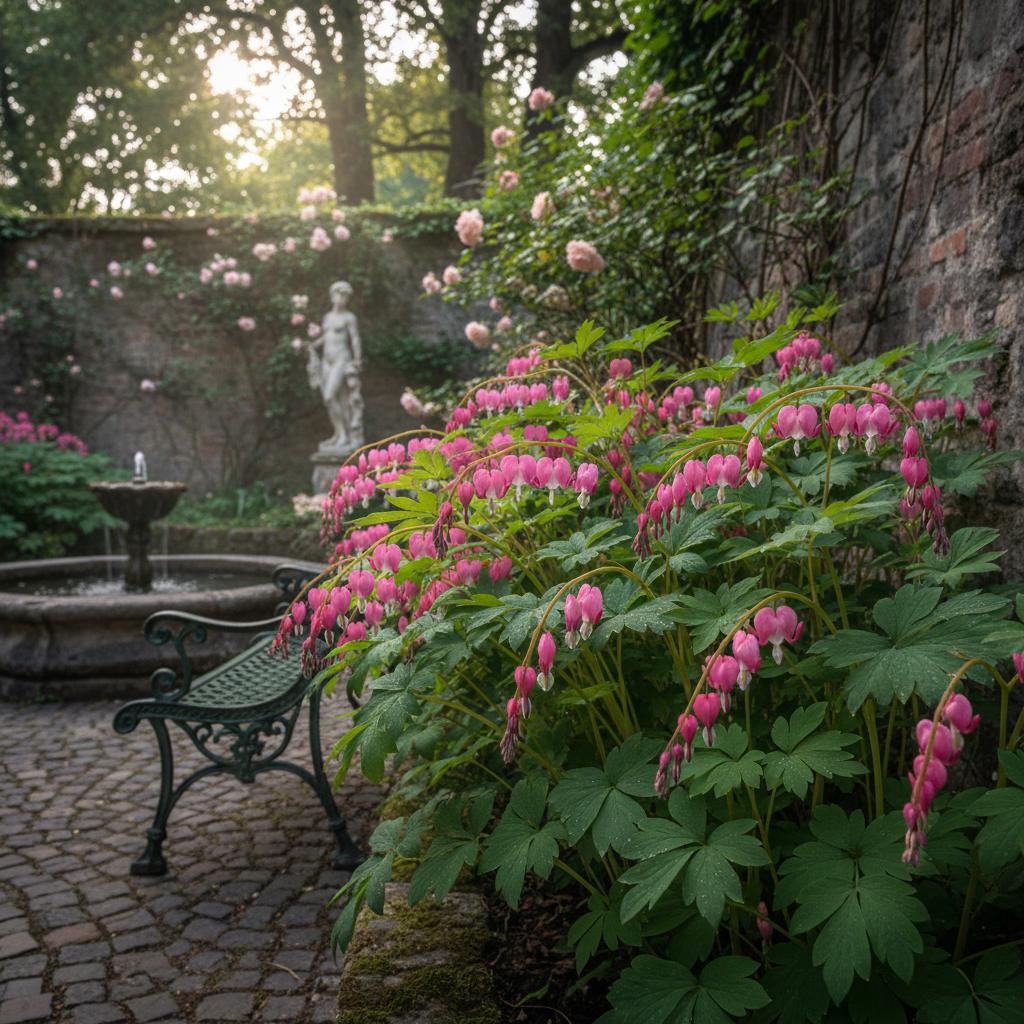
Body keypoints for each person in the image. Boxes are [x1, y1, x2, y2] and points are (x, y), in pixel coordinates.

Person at [307, 281, 364, 454]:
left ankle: (345, 436)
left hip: (341, 359)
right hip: (327, 361)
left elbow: (355, 339)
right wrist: (311, 345)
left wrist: (357, 360)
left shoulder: (349, 317)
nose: (342, 299)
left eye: (345, 296)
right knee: (334, 399)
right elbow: (326, 337)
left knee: (330, 396)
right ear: (332, 296)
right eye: (339, 294)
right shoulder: (327, 317)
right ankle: (339, 433)